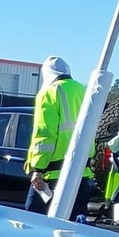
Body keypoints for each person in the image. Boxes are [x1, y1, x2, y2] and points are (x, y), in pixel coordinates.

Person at [24, 56, 93, 218]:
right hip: (81, 171)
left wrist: (38, 169)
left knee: (34, 220)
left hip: (54, 173)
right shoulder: (83, 90)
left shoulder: (49, 92)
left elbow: (44, 134)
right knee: (75, 223)